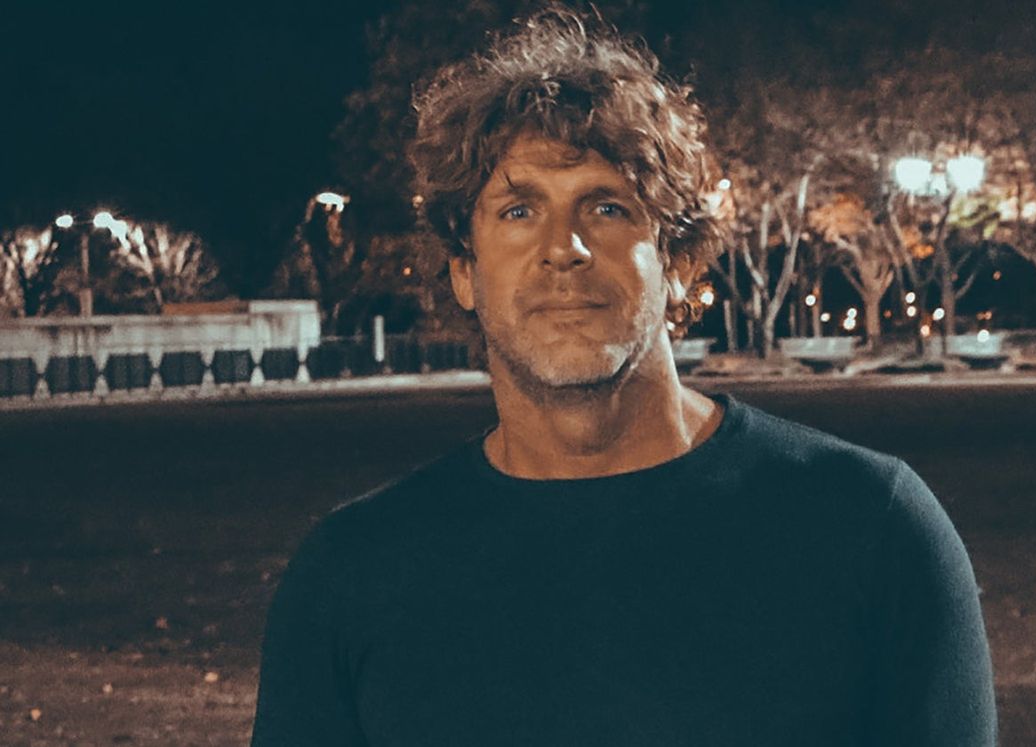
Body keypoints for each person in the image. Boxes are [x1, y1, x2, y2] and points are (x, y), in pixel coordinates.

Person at [252, 7, 996, 745]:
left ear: (678, 264)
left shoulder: (871, 527)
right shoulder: (351, 576)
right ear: (463, 273)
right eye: (518, 211)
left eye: (607, 207)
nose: (564, 248)